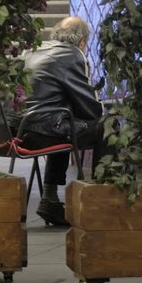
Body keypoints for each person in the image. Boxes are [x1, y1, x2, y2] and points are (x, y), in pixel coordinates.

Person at [14, 16, 107, 226]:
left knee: (66, 121)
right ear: (82, 41)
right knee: (106, 127)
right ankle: (102, 198)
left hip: (18, 131)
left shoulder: (34, 49)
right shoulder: (72, 54)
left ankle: (50, 198)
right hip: (44, 132)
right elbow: (90, 108)